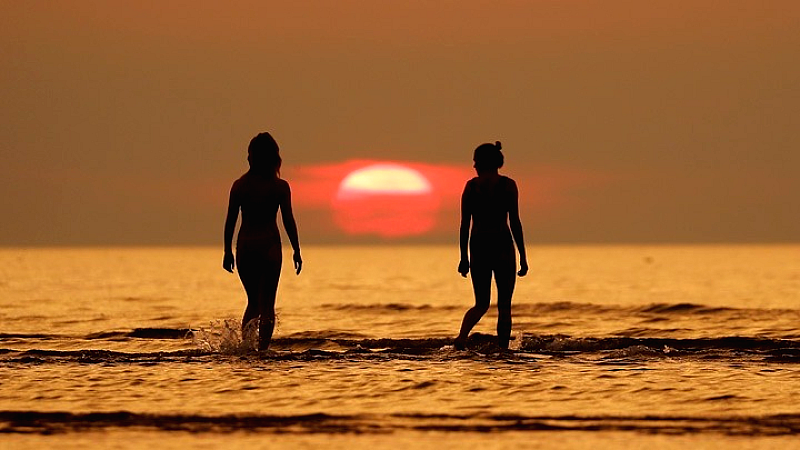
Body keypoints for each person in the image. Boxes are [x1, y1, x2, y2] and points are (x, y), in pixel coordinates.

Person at [223, 132, 302, 351]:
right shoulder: (279, 186)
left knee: (253, 302)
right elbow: (288, 220)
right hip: (269, 246)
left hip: (246, 246)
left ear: (251, 156)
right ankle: (263, 350)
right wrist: (296, 249)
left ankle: (246, 347)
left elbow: (230, 220)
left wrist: (227, 251)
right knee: (267, 303)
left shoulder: (240, 185)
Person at [455, 141, 528, 351]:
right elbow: (515, 221)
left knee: (481, 304)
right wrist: (523, 256)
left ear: (482, 162)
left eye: (476, 161)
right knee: (504, 306)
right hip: (502, 245)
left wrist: (463, 257)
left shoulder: (472, 187)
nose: (474, 166)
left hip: (479, 246)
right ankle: (503, 350)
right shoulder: (507, 185)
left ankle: (461, 338)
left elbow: (464, 225)